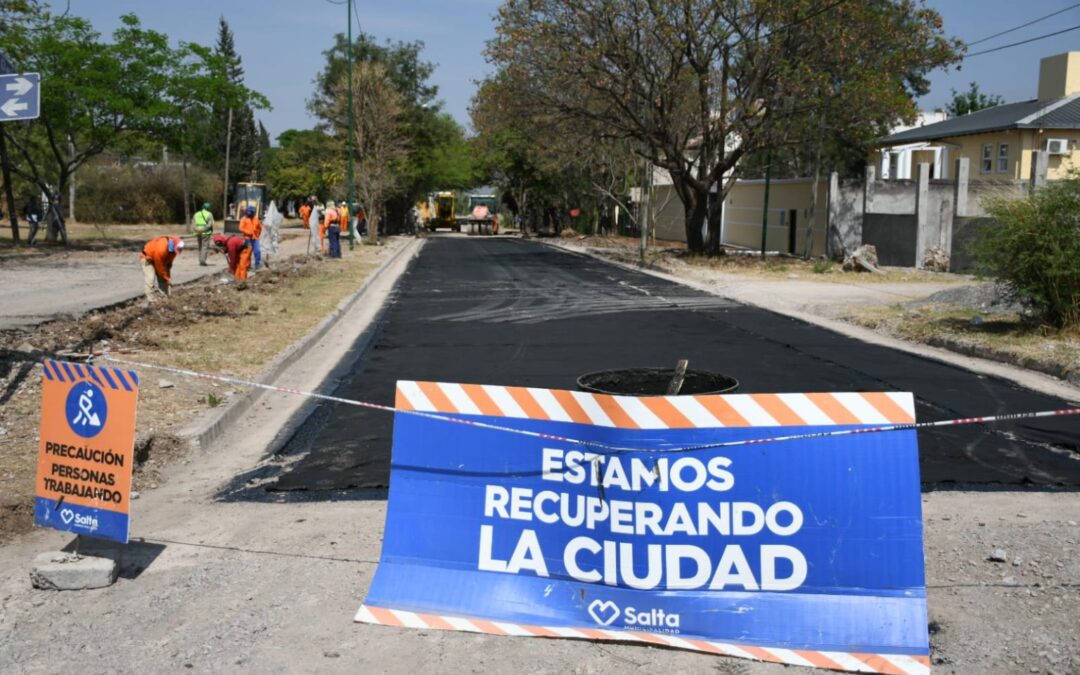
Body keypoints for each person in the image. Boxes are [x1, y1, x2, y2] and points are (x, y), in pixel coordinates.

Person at [140, 235, 184, 301]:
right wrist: (167, 278)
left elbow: (169, 261)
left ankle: (165, 298)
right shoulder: (162, 249)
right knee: (150, 279)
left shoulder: (174, 247)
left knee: (163, 279)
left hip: (160, 260)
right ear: (173, 245)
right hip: (147, 258)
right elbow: (159, 267)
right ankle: (151, 300)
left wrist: (168, 270)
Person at [238, 206, 261, 280]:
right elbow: (241, 228)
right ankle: (247, 266)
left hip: (255, 238)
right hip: (247, 238)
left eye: (252, 212)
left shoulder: (256, 219)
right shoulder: (243, 219)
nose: (250, 213)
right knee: (248, 253)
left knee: (257, 251)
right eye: (249, 211)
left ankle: (257, 264)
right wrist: (248, 232)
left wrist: (258, 233)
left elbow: (260, 227)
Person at [192, 202, 214, 266]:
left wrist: (196, 230)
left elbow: (193, 223)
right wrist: (204, 229)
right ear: (208, 208)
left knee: (200, 246)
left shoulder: (196, 214)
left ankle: (200, 260)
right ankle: (202, 261)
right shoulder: (209, 214)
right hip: (206, 232)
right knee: (204, 246)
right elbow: (210, 224)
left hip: (198, 232)